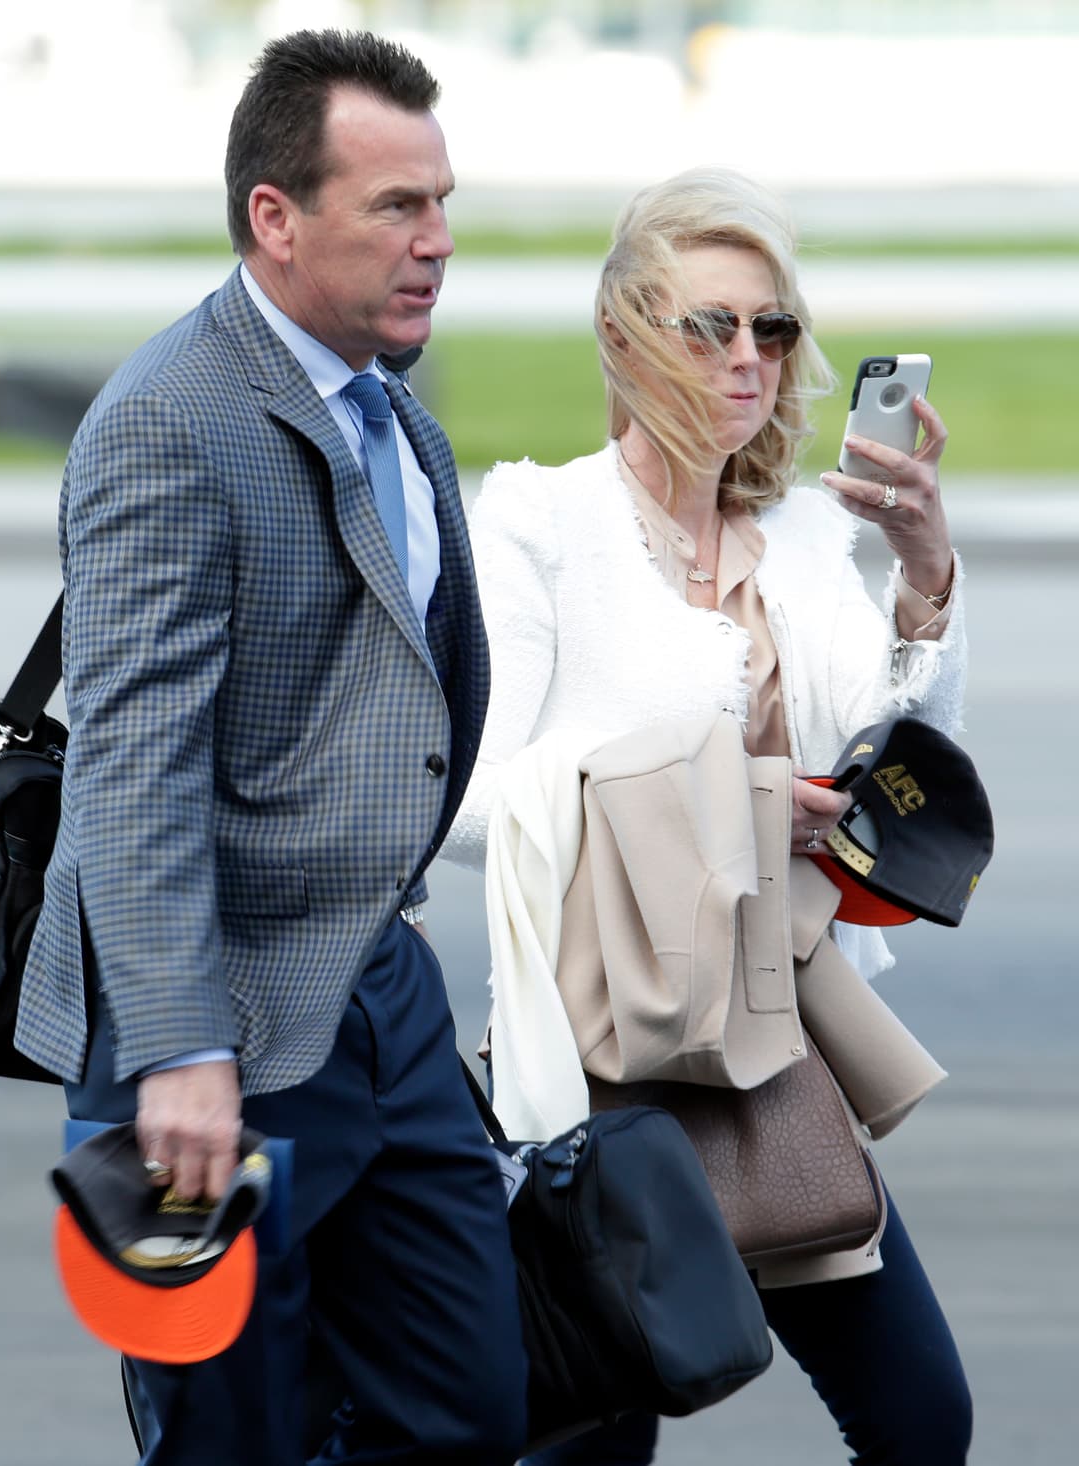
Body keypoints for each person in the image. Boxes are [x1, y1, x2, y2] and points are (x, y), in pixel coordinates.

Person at [15, 29, 526, 1466]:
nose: (436, 243)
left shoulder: (384, 397)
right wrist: (180, 1045)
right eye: (397, 208)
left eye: (443, 205)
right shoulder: (170, 426)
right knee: (235, 1428)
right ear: (275, 217)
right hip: (210, 1021)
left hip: (375, 983)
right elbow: (134, 765)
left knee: (475, 1404)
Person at [442, 167, 974, 1465]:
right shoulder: (538, 523)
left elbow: (898, 765)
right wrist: (725, 802)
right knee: (597, 1439)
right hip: (604, 1059)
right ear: (625, 338)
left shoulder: (797, 535)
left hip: (773, 1049)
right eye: (712, 324)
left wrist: (924, 579)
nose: (751, 355)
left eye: (773, 327)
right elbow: (472, 794)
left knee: (923, 1419)